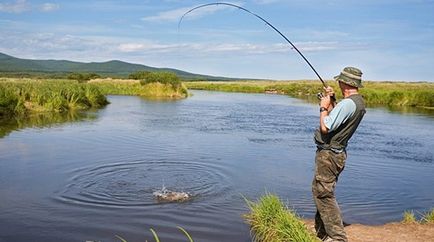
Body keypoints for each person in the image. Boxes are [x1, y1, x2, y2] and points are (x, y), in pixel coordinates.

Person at [312, 67, 366, 242]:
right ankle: (322, 233)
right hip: (335, 154)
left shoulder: (348, 104)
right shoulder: (356, 102)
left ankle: (337, 238)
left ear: (345, 83)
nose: (338, 82)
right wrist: (333, 100)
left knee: (324, 194)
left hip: (329, 155)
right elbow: (339, 118)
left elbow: (326, 126)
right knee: (320, 191)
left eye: (340, 80)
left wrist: (323, 107)